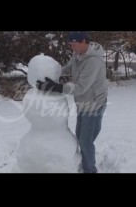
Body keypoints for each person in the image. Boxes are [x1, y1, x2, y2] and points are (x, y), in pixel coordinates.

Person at [36, 31, 108, 173]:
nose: (72, 48)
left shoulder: (93, 61)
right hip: (83, 102)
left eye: (74, 44)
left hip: (93, 104)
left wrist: (57, 87)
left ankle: (89, 169)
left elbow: (81, 88)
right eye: (70, 45)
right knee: (80, 135)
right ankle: (84, 161)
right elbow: (69, 68)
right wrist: (52, 74)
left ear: (83, 42)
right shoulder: (78, 54)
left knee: (85, 141)